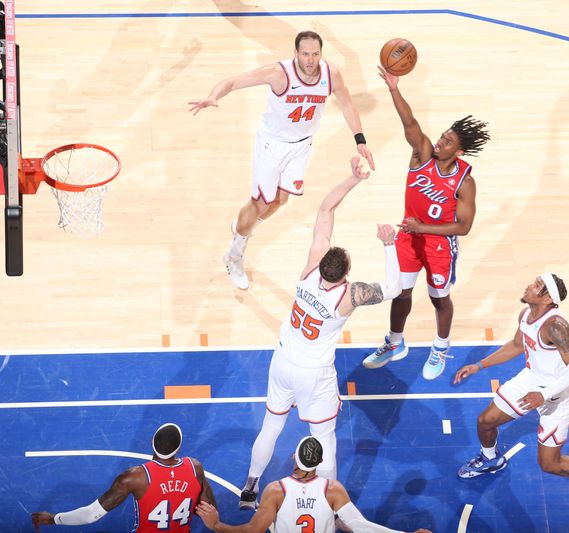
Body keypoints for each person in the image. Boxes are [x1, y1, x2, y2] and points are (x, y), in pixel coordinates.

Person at [237, 156, 401, 510]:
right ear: (345, 274)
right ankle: (330, 503)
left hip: (283, 360)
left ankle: (249, 488)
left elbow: (325, 208)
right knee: (323, 436)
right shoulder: (349, 296)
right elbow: (393, 288)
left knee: (271, 427)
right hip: (314, 372)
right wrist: (389, 244)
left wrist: (352, 178)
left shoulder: (311, 264)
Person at [189, 30, 375, 290]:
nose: (311, 60)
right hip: (271, 145)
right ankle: (234, 255)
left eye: (315, 54)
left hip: (301, 146)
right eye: (305, 54)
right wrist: (214, 96)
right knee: (261, 202)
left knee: (281, 199)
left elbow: (347, 104)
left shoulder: (331, 75)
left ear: (321, 53)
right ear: (296, 53)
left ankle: (243, 225)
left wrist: (360, 140)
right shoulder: (278, 74)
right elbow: (233, 81)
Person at [452, 274, 569, 514]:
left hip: (558, 396)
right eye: (533, 281)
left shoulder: (556, 326)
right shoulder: (525, 315)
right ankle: (490, 458)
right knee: (485, 421)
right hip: (530, 381)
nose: (529, 285)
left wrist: (544, 395)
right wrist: (480, 365)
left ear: (547, 298)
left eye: (537, 285)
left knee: (550, 464)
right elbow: (518, 345)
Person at [361, 65, 490, 381]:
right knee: (399, 293)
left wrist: (424, 229)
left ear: (458, 151)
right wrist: (394, 88)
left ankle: (440, 348)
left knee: (439, 299)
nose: (440, 143)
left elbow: (463, 227)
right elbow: (410, 122)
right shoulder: (421, 154)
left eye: (447, 142)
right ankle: (395, 342)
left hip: (438, 245)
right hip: (409, 237)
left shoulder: (464, 181)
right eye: (443, 136)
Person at [197, 436, 431, 533]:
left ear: (293, 457)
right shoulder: (333, 489)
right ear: (320, 462)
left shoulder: (276, 490)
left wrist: (217, 524)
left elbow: (251, 531)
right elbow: (361, 527)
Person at [31, 423, 217, 531]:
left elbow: (90, 515)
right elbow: (210, 510)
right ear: (179, 448)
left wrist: (54, 518)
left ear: (151, 443)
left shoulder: (134, 478)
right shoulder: (195, 467)